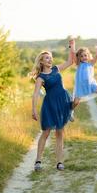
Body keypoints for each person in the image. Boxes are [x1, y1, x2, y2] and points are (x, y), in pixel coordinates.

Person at [31, 40, 75, 171]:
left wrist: (72, 46)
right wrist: (33, 109)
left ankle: (60, 162)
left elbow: (70, 62)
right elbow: (35, 94)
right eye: (46, 58)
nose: (50, 59)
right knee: (46, 132)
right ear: (42, 62)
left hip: (62, 101)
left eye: (50, 57)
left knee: (60, 132)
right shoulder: (41, 77)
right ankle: (38, 161)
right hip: (50, 105)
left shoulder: (56, 69)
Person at [71, 39, 97, 112]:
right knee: (76, 102)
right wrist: (72, 45)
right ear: (79, 58)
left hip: (91, 84)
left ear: (88, 55)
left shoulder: (91, 63)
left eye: (85, 55)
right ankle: (71, 110)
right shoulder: (78, 64)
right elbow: (74, 54)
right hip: (80, 86)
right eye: (81, 56)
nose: (84, 57)